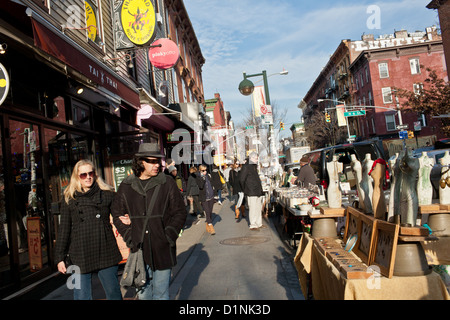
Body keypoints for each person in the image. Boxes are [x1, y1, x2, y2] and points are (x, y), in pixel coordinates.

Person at [111, 143, 186, 300]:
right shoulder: (127, 185)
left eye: (158, 161)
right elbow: (116, 212)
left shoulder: (167, 182)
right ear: (141, 162)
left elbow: (179, 211)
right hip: (139, 249)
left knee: (161, 293)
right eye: (152, 161)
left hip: (163, 248)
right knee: (144, 295)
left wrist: (169, 235)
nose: (156, 165)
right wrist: (129, 236)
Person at [54, 159, 122, 300]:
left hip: (105, 249)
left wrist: (127, 225)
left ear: (95, 174)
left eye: (90, 173)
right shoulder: (69, 198)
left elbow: (118, 217)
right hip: (79, 253)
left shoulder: (107, 194)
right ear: (77, 177)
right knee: (81, 296)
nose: (88, 177)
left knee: (113, 293)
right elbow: (64, 229)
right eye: (83, 175)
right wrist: (60, 257)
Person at [239, 152, 265, 231]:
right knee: (253, 208)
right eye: (256, 158)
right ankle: (253, 224)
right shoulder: (246, 167)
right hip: (251, 191)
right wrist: (245, 189)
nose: (257, 160)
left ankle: (259, 223)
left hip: (257, 190)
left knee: (258, 207)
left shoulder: (253, 166)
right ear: (251, 158)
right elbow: (241, 179)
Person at [197, 164, 216, 235]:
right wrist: (203, 178)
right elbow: (201, 186)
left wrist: (214, 194)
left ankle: (208, 224)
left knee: (210, 212)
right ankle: (211, 227)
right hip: (204, 198)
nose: (205, 172)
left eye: (205, 170)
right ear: (200, 170)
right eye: (203, 170)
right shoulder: (198, 177)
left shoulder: (208, 176)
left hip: (211, 196)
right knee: (207, 212)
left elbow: (212, 184)